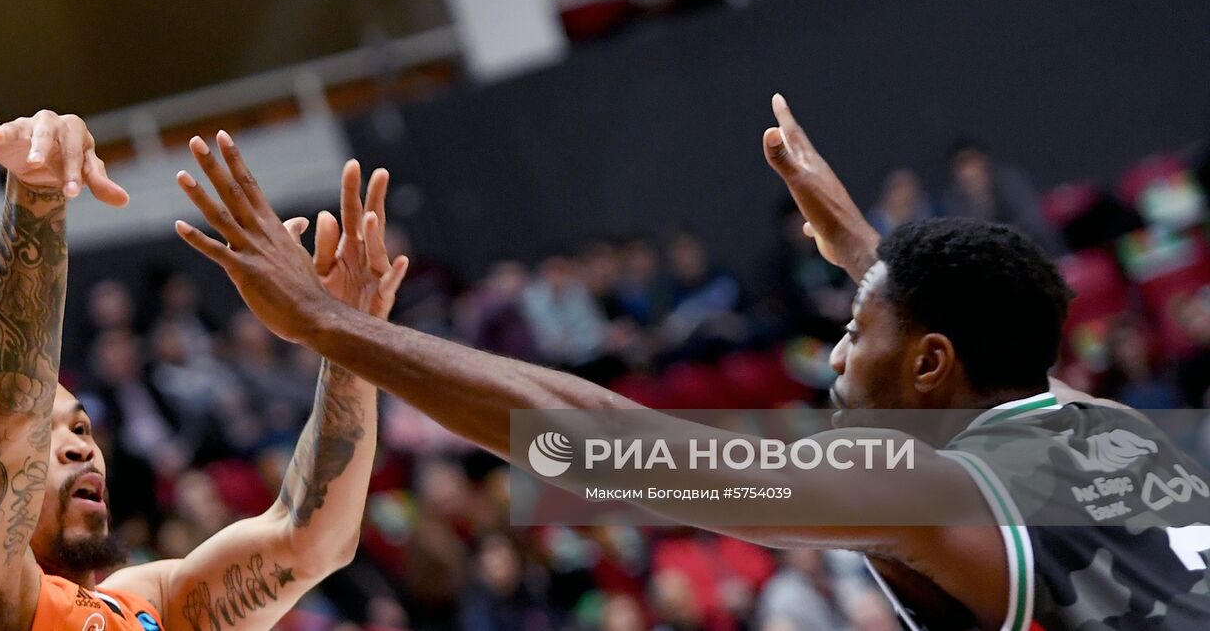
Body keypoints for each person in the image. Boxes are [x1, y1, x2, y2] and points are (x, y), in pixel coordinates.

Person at [173, 110, 1210, 631]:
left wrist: (325, 325)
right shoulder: (1109, 428)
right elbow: (976, 345)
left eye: (857, 330)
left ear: (934, 362)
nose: (838, 357)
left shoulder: (935, 492)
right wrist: (865, 257)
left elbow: (611, 444)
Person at [0, 109, 406, 631]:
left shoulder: (151, 602)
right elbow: (6, 404)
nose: (79, 447)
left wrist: (350, 339)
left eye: (79, 427)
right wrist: (36, 194)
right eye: (37, 439)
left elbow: (311, 539)